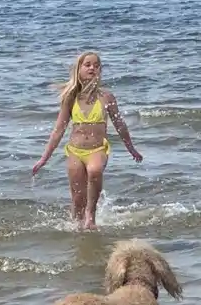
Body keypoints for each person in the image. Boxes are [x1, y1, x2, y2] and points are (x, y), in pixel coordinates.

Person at [31, 51, 142, 231]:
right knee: (77, 199)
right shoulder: (70, 98)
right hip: (75, 151)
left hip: (97, 149)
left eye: (96, 66)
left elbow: (120, 125)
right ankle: (77, 229)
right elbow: (58, 130)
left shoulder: (106, 97)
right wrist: (44, 159)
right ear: (79, 69)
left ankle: (91, 215)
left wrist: (132, 149)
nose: (92, 68)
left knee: (95, 170)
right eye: (88, 65)